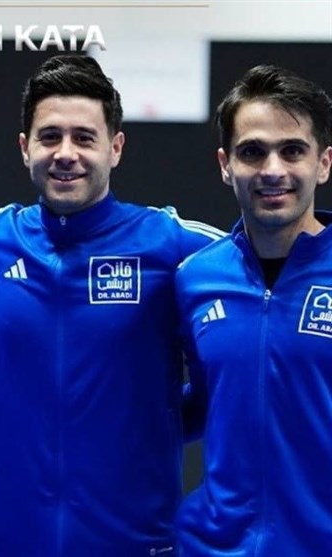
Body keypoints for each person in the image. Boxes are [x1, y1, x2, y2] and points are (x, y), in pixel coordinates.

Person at [0, 54, 225, 556]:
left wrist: (160, 420)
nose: (66, 154)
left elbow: (254, 319)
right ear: (24, 148)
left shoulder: (173, 245)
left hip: (135, 543)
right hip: (10, 544)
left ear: (115, 148)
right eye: (50, 137)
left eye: (84, 138)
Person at [175, 65, 332, 556]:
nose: (272, 170)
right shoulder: (195, 278)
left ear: (324, 163)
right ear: (226, 165)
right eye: (252, 151)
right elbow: (200, 404)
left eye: (293, 150)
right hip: (213, 546)